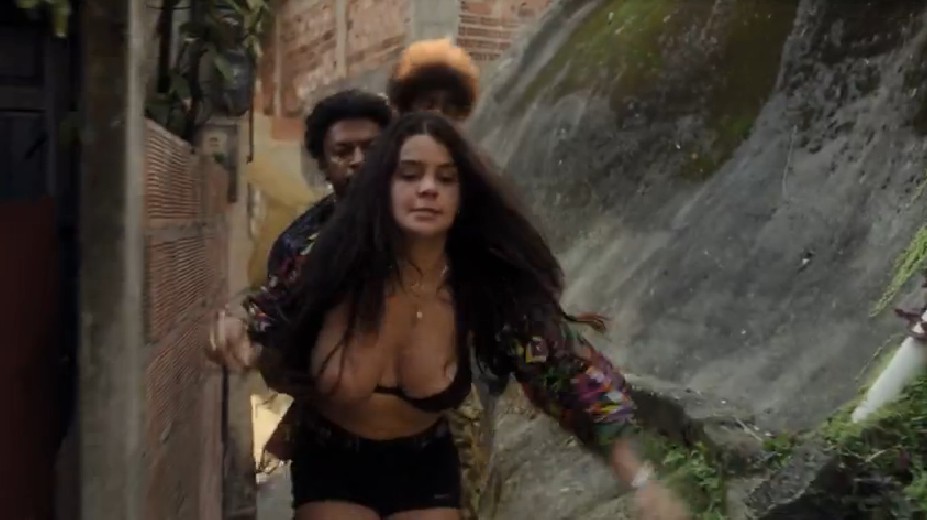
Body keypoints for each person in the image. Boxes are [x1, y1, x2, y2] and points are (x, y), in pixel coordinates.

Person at [211, 111, 691, 520]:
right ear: (383, 186)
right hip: (330, 459)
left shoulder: (483, 287)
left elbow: (570, 376)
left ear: (463, 196)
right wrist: (236, 329)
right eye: (410, 174)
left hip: (427, 466)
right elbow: (262, 310)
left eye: (445, 178)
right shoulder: (329, 259)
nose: (428, 188)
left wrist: (644, 482)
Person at [385, 37, 494, 519]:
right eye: (428, 105)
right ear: (404, 110)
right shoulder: (379, 187)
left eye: (451, 108)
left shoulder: (477, 192)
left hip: (454, 391)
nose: (440, 118)